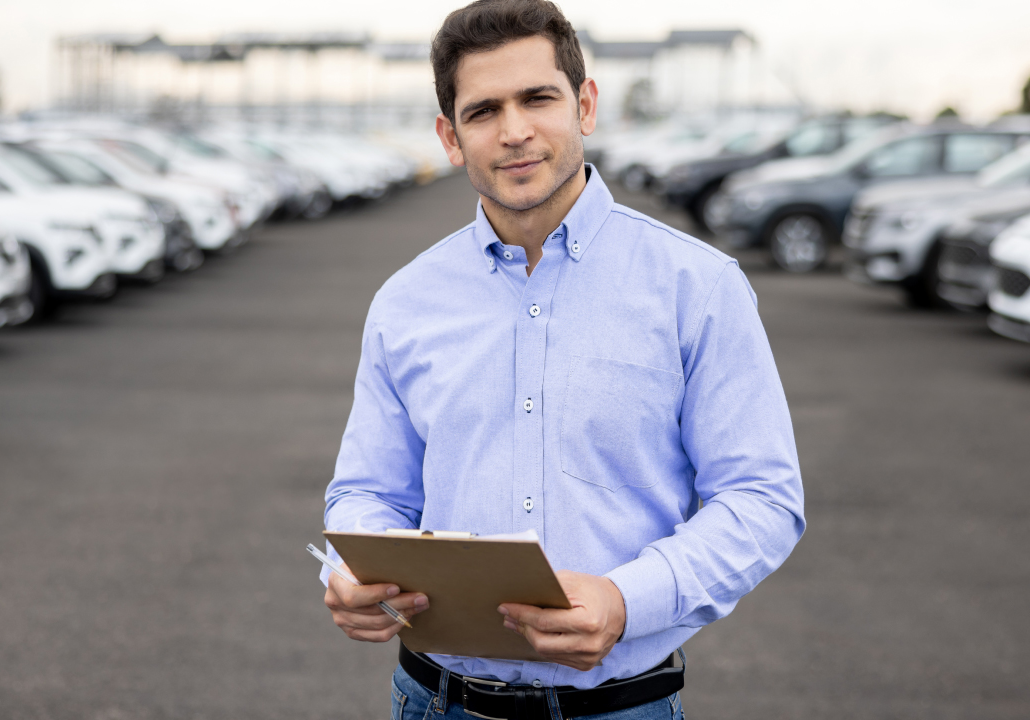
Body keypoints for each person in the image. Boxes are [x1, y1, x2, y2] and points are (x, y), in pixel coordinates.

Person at [320, 1, 806, 717]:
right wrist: (349, 572)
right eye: (483, 111)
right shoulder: (406, 302)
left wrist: (625, 598)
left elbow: (762, 498)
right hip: (435, 703)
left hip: (620, 706)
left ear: (585, 104)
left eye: (538, 99)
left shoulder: (696, 287)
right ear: (450, 139)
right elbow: (367, 492)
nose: (515, 131)